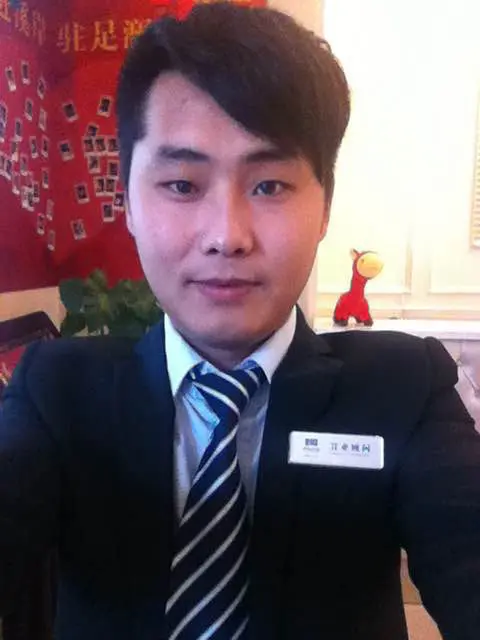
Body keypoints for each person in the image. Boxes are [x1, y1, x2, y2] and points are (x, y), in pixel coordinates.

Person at [1, 3, 479, 639]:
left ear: (325, 207)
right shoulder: (57, 392)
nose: (227, 236)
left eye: (270, 186)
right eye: (182, 185)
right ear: (129, 203)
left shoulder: (404, 388)